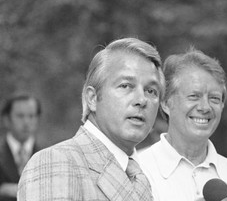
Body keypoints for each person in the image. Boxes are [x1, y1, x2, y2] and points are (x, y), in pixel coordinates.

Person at [17, 37, 165, 201]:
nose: (142, 100)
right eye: (126, 86)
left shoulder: (143, 176)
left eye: (151, 91)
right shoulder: (56, 162)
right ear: (92, 98)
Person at [139, 48, 227, 201]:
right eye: (194, 96)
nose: (205, 107)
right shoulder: (136, 172)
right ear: (165, 103)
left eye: (214, 98)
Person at [0, 93, 42, 201]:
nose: (26, 122)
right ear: (6, 119)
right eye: (20, 116)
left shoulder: (48, 154)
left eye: (31, 116)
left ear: (37, 120)